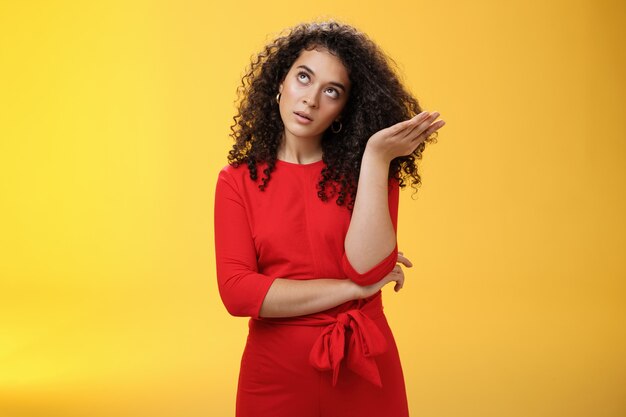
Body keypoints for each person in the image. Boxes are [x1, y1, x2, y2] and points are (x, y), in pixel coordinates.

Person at [214, 20, 445, 417]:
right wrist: (352, 290)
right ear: (279, 84)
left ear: (343, 110)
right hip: (274, 377)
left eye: (331, 91)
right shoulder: (236, 182)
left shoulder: (371, 173)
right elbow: (238, 293)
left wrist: (376, 157)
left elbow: (367, 265)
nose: (311, 100)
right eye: (303, 77)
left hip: (366, 370)